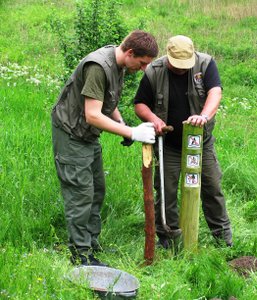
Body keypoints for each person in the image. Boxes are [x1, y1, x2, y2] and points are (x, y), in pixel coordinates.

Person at [51, 30, 158, 266]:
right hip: (71, 135)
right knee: (81, 195)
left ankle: (91, 245)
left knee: (97, 190)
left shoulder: (118, 64)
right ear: (130, 52)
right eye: (141, 63)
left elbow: (107, 102)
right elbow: (92, 115)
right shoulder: (98, 67)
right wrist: (132, 132)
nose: (142, 69)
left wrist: (121, 123)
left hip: (87, 137)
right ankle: (81, 256)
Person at [134, 35, 232, 248]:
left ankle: (223, 240)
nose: (181, 69)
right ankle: (168, 239)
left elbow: (215, 93)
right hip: (168, 144)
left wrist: (203, 116)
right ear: (167, 56)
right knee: (166, 191)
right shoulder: (154, 71)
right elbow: (140, 104)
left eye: (184, 65)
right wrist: (153, 119)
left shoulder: (205, 64)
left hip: (200, 144)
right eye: (176, 65)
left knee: (212, 187)